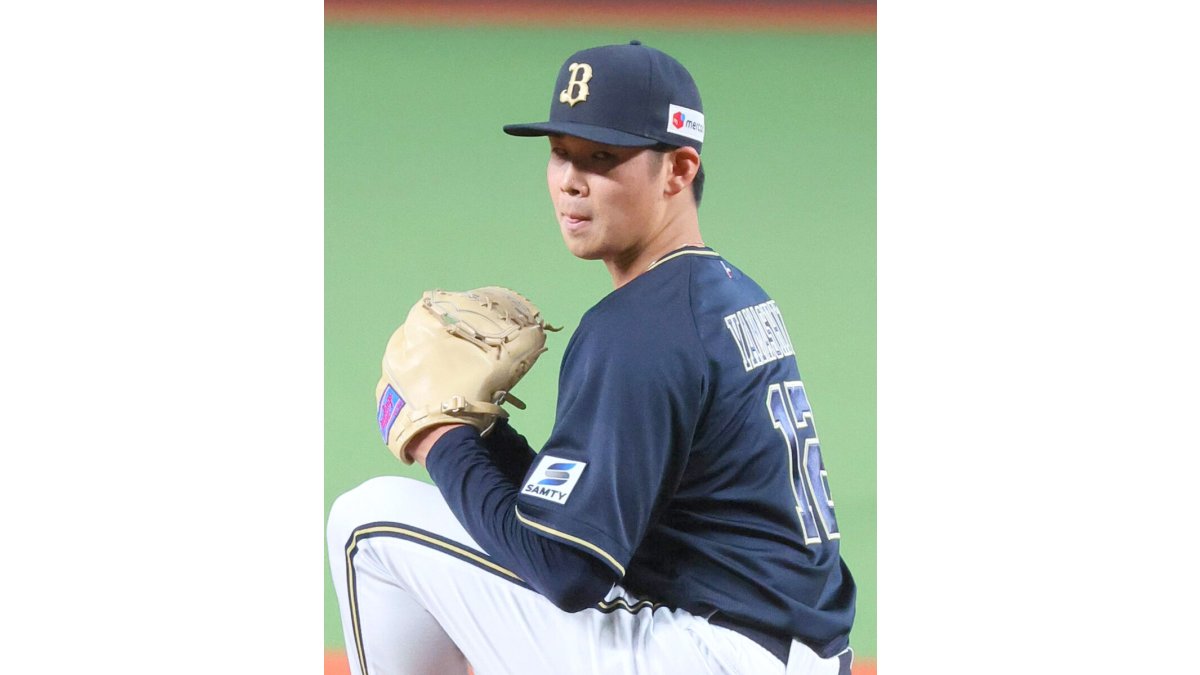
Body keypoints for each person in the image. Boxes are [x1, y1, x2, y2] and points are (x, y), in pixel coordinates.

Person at [327, 41, 856, 675]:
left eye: (602, 157)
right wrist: (483, 431)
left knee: (367, 522)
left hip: (707, 654)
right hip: (776, 648)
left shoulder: (640, 328)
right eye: (560, 153)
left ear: (679, 170)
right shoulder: (726, 295)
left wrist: (439, 438)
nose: (570, 181)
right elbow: (581, 518)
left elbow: (566, 571)